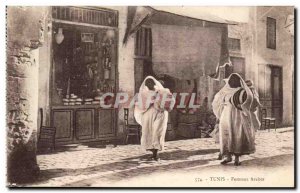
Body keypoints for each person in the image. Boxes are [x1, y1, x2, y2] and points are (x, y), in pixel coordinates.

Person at [212, 73, 257, 166]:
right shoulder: (225, 91)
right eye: (231, 80)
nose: (231, 82)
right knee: (226, 134)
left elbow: (248, 101)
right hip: (226, 114)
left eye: (233, 80)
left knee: (236, 134)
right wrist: (222, 106)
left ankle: (237, 158)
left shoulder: (242, 91)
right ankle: (228, 157)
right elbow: (218, 101)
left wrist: (242, 107)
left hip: (237, 115)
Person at [134, 76, 175, 161]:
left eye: (150, 83)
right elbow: (140, 104)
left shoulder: (162, 91)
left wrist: (162, 103)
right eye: (147, 83)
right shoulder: (144, 93)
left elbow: (170, 101)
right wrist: (149, 101)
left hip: (159, 114)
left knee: (157, 132)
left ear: (154, 83)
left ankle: (156, 153)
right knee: (148, 132)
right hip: (148, 114)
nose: (149, 85)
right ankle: (152, 152)